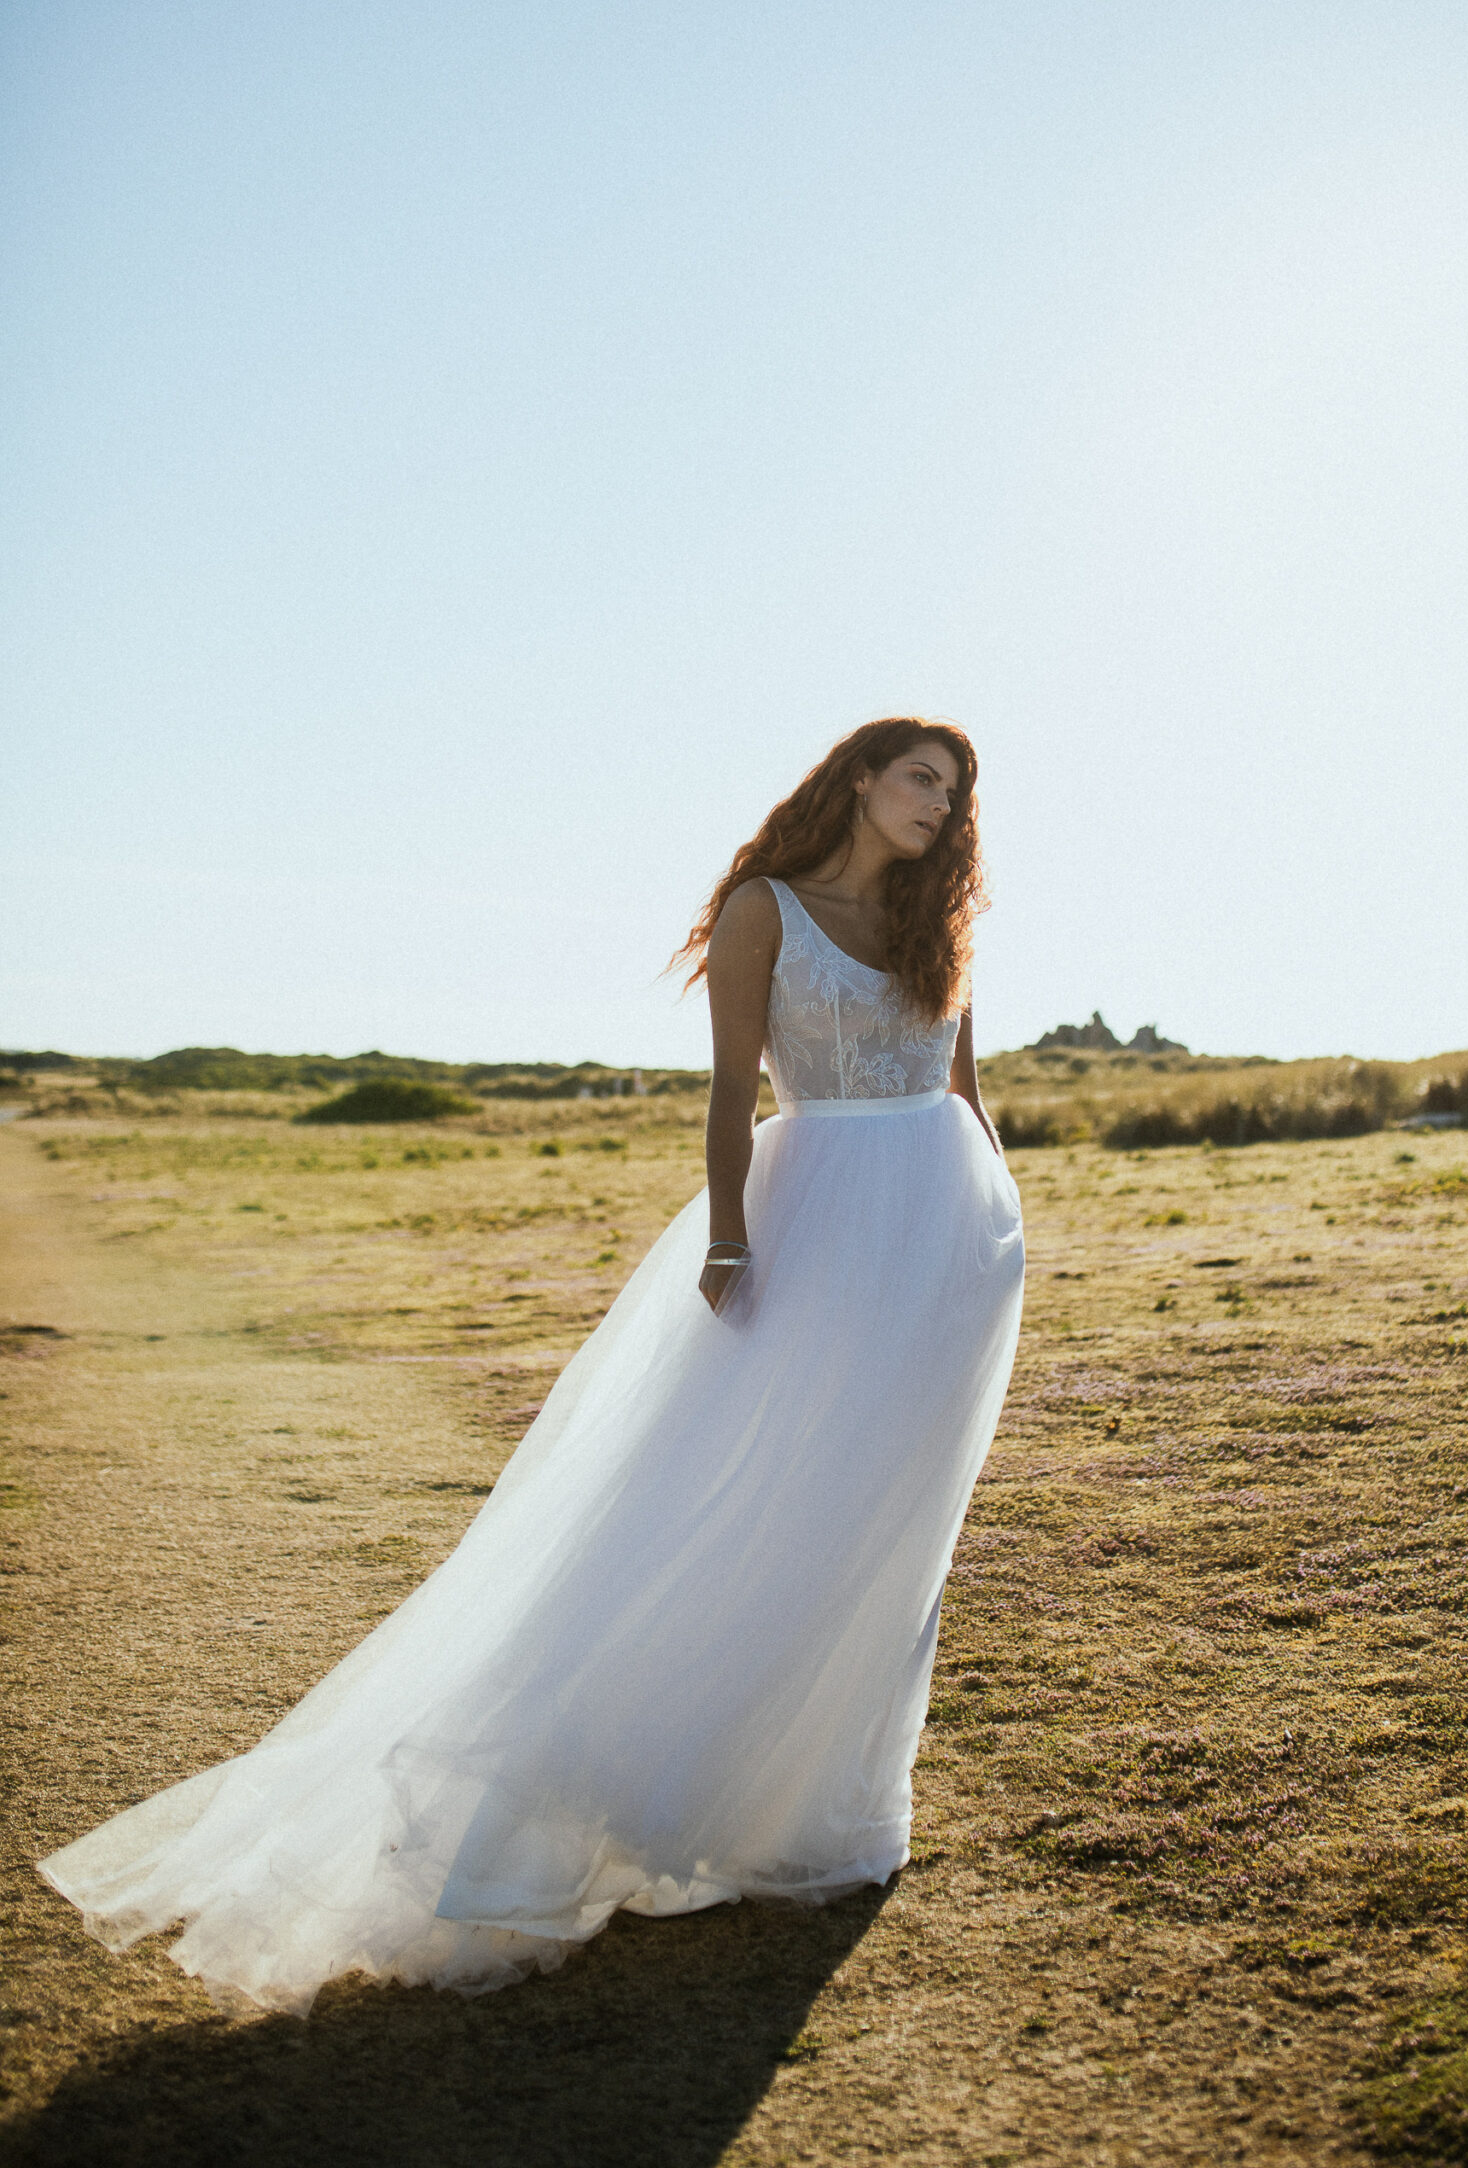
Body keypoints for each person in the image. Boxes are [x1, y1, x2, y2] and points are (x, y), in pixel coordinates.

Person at [40, 718, 1025, 2017]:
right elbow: (735, 1094)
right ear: (858, 778)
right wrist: (730, 1236)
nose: (938, 805)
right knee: (747, 1506)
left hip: (948, 1247)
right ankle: (607, 1789)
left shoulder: (937, 927)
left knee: (886, 1532)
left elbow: (964, 1090)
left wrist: (1005, 1231)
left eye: (953, 791)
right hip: (814, 1223)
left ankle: (830, 1814)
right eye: (920, 778)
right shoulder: (762, 911)